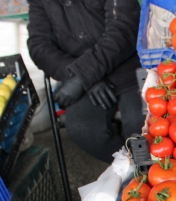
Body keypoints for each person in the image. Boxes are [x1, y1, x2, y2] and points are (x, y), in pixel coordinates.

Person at [27, 0, 144, 163]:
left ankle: (146, 171)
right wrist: (80, 76)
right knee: (83, 130)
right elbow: (39, 47)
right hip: (81, 79)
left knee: (141, 126)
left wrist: (83, 75)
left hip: (128, 69)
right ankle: (131, 171)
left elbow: (123, 29)